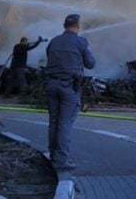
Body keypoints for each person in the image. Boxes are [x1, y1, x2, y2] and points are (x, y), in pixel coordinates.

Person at [45, 14, 95, 170]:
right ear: (77, 26)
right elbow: (91, 64)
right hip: (69, 87)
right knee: (65, 123)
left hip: (51, 84)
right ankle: (60, 161)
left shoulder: (54, 41)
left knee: (54, 122)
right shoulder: (81, 42)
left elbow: (48, 56)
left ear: (64, 25)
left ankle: (53, 156)